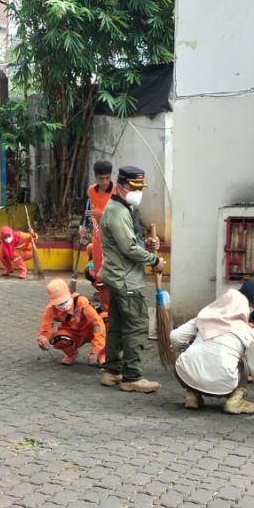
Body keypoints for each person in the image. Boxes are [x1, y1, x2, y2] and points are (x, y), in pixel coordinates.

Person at [99, 166, 164, 393]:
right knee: (136, 325)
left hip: (118, 278)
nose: (138, 192)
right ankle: (132, 376)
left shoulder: (124, 208)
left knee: (117, 325)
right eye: (132, 188)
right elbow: (128, 248)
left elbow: (130, 241)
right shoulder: (117, 212)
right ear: (119, 187)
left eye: (139, 188)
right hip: (125, 280)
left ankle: (112, 371)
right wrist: (154, 260)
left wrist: (147, 245)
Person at [170, 289, 254, 413]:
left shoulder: (203, 318)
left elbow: (175, 337)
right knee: (245, 361)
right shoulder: (248, 332)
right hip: (224, 383)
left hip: (187, 375)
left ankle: (192, 394)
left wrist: (185, 349)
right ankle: (235, 400)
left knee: (187, 357)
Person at [36, 279, 106, 365]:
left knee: (106, 320)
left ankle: (102, 354)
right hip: (72, 332)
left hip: (89, 329)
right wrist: (43, 339)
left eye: (65, 302)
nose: (63, 306)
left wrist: (96, 350)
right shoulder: (51, 308)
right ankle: (72, 354)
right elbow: (45, 328)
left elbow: (97, 323)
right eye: (59, 304)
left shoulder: (81, 301)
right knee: (57, 339)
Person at [80, 160, 114, 241]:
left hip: (112, 241)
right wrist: (82, 226)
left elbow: (121, 220)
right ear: (95, 177)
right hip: (97, 238)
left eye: (107, 178)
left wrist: (102, 215)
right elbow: (86, 213)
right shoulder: (91, 191)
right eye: (101, 178)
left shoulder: (116, 192)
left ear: (111, 176)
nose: (105, 182)